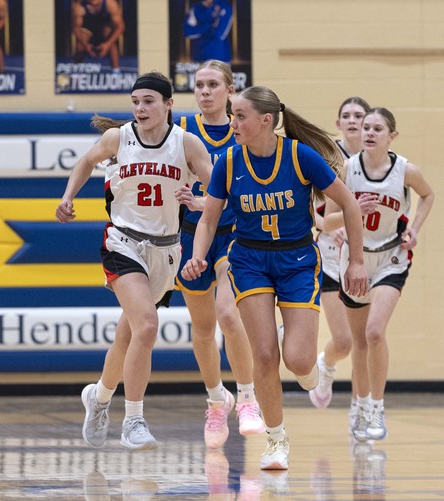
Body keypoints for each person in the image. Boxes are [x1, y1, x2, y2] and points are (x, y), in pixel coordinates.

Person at [181, 85, 369, 470]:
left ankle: (303, 357)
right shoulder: (229, 162)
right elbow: (209, 220)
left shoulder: (300, 156)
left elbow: (349, 204)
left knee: (298, 361)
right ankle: (276, 439)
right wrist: (198, 256)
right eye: (233, 116)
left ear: (266, 120)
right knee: (265, 356)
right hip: (249, 260)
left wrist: (356, 262)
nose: (233, 123)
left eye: (240, 116)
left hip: (297, 260)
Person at [57, 72, 213, 450]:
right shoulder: (118, 138)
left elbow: (220, 195)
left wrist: (198, 202)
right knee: (147, 325)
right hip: (123, 242)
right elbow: (85, 162)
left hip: (166, 251)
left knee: (129, 336)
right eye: (135, 102)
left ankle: (99, 397)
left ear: (168, 104)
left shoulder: (186, 144)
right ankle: (134, 420)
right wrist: (67, 197)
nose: (140, 108)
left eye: (148, 101)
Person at [324, 108, 434, 442]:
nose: (369, 133)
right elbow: (328, 220)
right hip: (355, 259)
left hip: (391, 257)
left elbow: (428, 195)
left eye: (377, 128)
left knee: (374, 333)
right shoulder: (347, 169)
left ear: (392, 136)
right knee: (359, 341)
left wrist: (414, 228)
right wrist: (349, 215)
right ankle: (359, 405)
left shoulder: (405, 170)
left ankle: (376, 407)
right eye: (366, 128)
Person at [174, 60, 264, 448]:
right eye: (199, 85)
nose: (205, 91)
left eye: (213, 84)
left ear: (230, 91)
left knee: (229, 314)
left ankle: (247, 398)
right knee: (202, 327)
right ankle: (215, 400)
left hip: (234, 234)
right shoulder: (180, 130)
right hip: (190, 235)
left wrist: (206, 203)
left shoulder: (242, 130)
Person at [307, 97, 371, 418]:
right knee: (343, 342)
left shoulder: (379, 162)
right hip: (332, 256)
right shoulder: (328, 158)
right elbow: (309, 208)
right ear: (338, 124)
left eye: (359, 115)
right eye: (346, 115)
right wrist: (327, 225)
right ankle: (327, 365)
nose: (353, 120)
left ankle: (361, 411)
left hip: (365, 256)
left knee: (364, 340)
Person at [72, 0, 125, 70]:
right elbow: (75, 28)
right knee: (80, 43)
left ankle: (116, 71)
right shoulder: (79, 7)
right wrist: (86, 45)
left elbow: (120, 27)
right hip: (88, 31)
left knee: (111, 40)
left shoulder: (110, 4)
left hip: (104, 31)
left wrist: (108, 44)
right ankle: (77, 69)